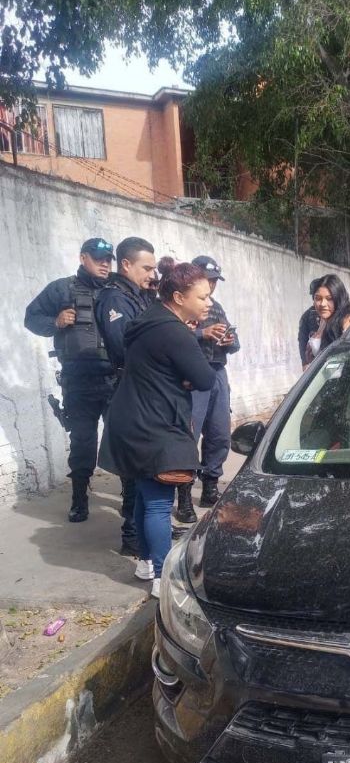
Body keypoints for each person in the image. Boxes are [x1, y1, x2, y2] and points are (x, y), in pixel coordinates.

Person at [100, 258, 216, 597]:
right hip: (152, 424)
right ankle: (163, 576)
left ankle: (146, 562)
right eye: (202, 297)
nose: (208, 303)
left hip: (129, 419)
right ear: (179, 298)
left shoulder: (147, 321)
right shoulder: (174, 332)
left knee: (144, 493)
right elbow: (206, 378)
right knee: (158, 502)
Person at [24, 237, 116, 524]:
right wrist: (55, 321)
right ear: (83, 258)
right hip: (79, 381)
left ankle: (130, 499)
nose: (104, 263)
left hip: (116, 379)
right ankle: (79, 499)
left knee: (123, 441)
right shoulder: (62, 288)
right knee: (83, 443)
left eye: (108, 258)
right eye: (98, 257)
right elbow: (31, 318)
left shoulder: (117, 289)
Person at [95, 237, 157, 556]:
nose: (152, 274)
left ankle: (148, 526)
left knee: (148, 465)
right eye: (147, 268)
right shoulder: (115, 300)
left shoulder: (139, 297)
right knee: (134, 469)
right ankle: (132, 535)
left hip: (144, 389)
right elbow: (125, 349)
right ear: (126, 265)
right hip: (130, 390)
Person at [174, 255, 241, 523]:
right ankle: (183, 496)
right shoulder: (180, 306)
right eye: (208, 280)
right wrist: (203, 333)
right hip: (191, 375)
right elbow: (171, 336)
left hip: (216, 372)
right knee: (189, 434)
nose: (211, 287)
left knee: (219, 432)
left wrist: (229, 339)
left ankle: (210, 486)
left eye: (214, 282)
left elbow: (234, 345)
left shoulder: (217, 307)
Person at [303, 274, 350, 366]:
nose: (323, 304)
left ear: (339, 299)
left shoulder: (347, 324)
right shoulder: (323, 321)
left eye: (329, 298)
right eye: (318, 298)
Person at [297, 277, 321, 368]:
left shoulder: (333, 314)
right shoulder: (307, 316)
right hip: (316, 363)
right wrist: (305, 362)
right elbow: (302, 340)